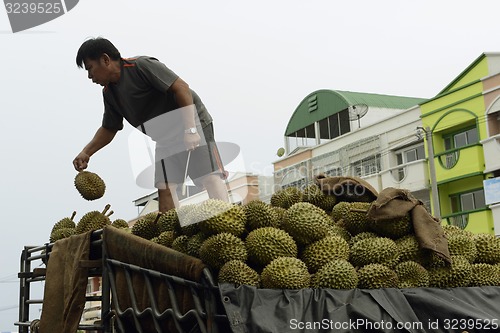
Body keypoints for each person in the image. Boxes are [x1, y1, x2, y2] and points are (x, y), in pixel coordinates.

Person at [73, 37, 229, 212]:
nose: (89, 76)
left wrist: (191, 129)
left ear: (105, 59)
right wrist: (86, 152)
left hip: (192, 122)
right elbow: (110, 127)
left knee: (208, 177)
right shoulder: (109, 93)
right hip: (164, 139)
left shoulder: (141, 66)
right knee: (165, 188)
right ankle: (173, 234)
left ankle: (227, 218)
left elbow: (181, 87)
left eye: (90, 68)